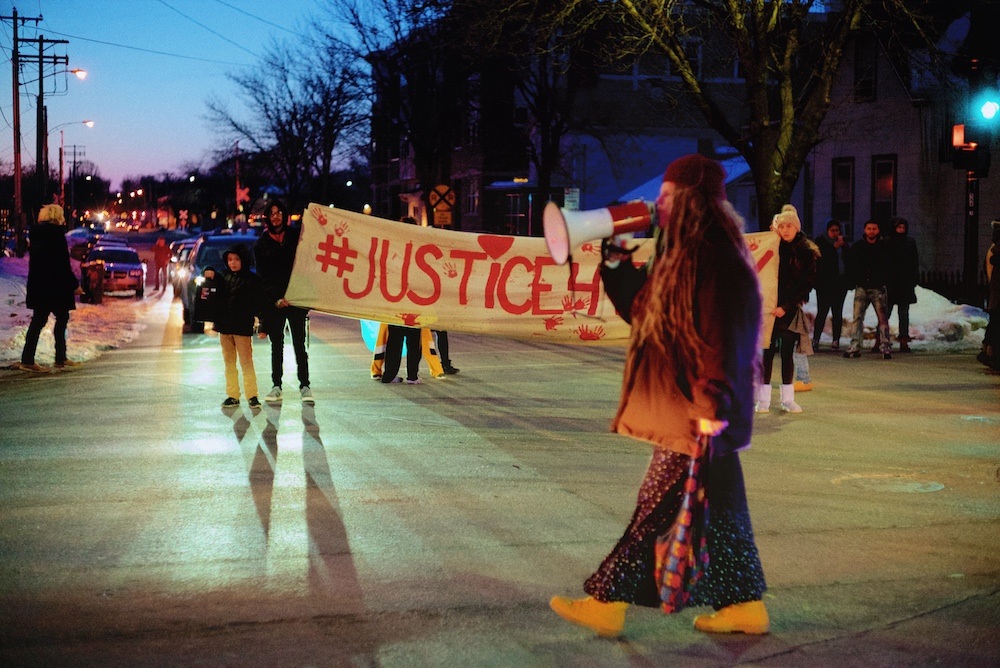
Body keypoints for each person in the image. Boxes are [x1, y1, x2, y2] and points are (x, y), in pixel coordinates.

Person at [549, 154, 769, 638]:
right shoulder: (681, 255)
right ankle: (745, 605)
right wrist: (615, 261)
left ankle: (606, 601)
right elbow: (641, 311)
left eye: (669, 196)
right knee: (723, 509)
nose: (658, 205)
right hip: (689, 406)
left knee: (655, 506)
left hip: (697, 411)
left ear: (694, 201)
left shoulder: (716, 258)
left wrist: (711, 406)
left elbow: (727, 335)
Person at [756, 205, 818, 414]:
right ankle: (763, 400)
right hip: (769, 307)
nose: (785, 230)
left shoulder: (806, 252)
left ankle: (788, 399)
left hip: (789, 309)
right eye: (781, 226)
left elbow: (806, 283)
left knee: (787, 353)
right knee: (766, 352)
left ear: (796, 227)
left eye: (789, 226)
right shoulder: (773, 247)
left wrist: (786, 306)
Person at [254, 200, 313, 404]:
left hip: (296, 300)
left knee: (299, 345)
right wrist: (276, 298)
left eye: (279, 212)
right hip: (275, 303)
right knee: (276, 345)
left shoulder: (297, 237)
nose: (276, 216)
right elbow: (262, 276)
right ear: (267, 218)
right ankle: (276, 385)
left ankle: (305, 385)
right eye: (272, 213)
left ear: (284, 215)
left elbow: (307, 264)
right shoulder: (261, 244)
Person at [18, 201, 83, 373]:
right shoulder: (56, 235)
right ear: (57, 217)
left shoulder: (37, 234)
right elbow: (62, 264)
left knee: (39, 320)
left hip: (40, 285)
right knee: (61, 319)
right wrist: (74, 285)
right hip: (56, 286)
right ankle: (57, 358)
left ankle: (30, 359)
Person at [204, 244, 262, 408]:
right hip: (225, 327)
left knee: (246, 362)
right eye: (230, 259)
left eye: (236, 259)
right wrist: (208, 270)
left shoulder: (252, 280)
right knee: (229, 363)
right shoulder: (223, 276)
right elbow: (209, 275)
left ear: (243, 260)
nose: (233, 263)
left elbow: (259, 304)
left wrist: (263, 324)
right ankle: (232, 395)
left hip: (242, 328)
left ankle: (252, 396)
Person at [843, 220, 893, 359]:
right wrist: (856, 279)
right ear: (865, 230)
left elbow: (889, 265)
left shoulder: (884, 246)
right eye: (869, 228)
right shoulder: (858, 246)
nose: (871, 231)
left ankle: (885, 346)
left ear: (878, 230)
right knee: (857, 318)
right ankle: (855, 345)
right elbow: (851, 263)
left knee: (882, 319)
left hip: (878, 288)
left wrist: (884, 280)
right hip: (862, 287)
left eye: (874, 228)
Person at [813, 219, 850, 351]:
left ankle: (836, 340)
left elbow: (848, 260)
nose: (835, 233)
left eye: (837, 231)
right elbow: (821, 260)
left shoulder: (843, 244)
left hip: (839, 283)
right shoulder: (821, 242)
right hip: (824, 283)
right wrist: (834, 248)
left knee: (837, 312)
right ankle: (816, 339)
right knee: (822, 312)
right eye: (832, 231)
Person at [886, 217, 919, 353]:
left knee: (904, 313)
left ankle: (904, 340)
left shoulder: (910, 242)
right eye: (899, 227)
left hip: (905, 282)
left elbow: (914, 260)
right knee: (885, 312)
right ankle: (881, 339)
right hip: (891, 282)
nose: (901, 230)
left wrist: (913, 279)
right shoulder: (888, 242)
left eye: (903, 228)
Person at [979, 219, 1000, 370]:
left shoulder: (994, 249)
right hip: (997, 293)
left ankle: (989, 350)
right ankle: (992, 353)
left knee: (994, 323)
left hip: (995, 293)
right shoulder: (995, 249)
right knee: (995, 323)